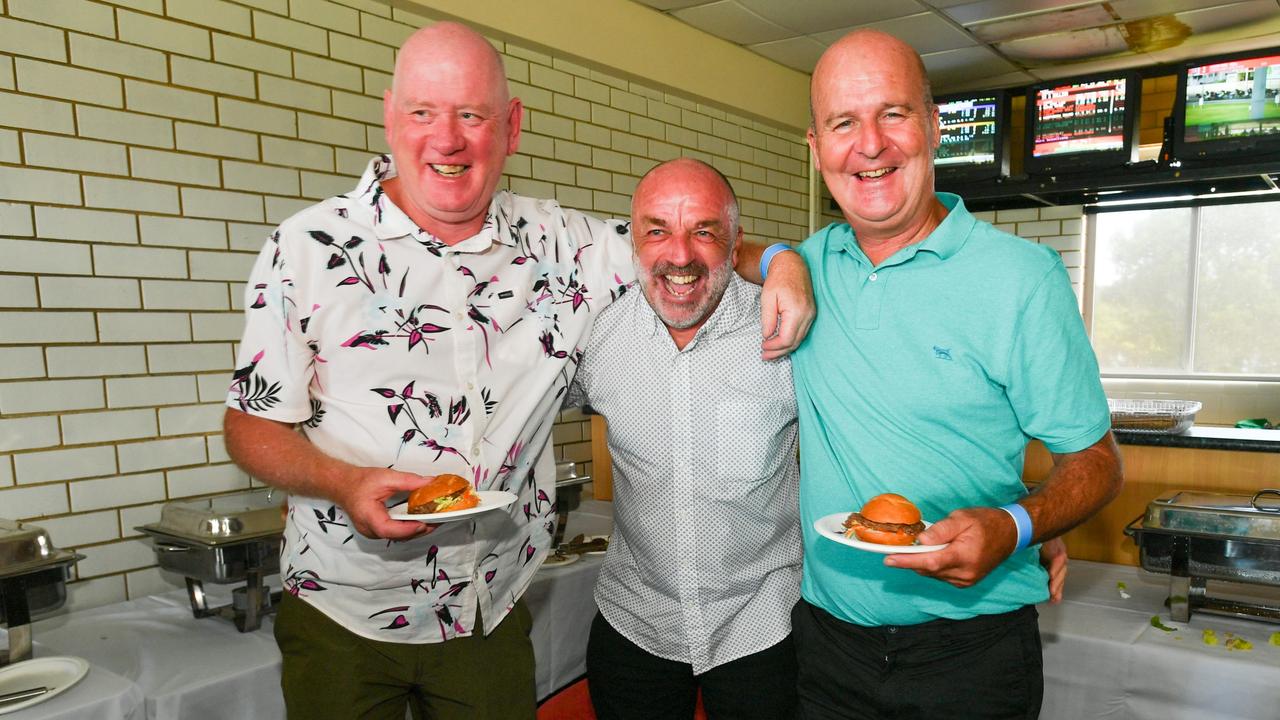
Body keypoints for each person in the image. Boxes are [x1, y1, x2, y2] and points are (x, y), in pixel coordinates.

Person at [220, 21, 814, 720]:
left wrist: (783, 263)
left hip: (487, 611)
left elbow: (687, 248)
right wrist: (342, 481)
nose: (447, 140)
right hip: (343, 608)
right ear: (389, 116)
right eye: (423, 113)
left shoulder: (564, 243)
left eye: (471, 115)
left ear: (511, 127)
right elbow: (248, 428)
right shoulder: (306, 248)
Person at [790, 29, 1123, 720]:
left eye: (893, 113)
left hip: (973, 660)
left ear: (934, 126)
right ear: (816, 148)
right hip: (825, 650)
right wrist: (775, 263)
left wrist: (1019, 524)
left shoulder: (1022, 279)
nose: (870, 145)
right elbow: (714, 244)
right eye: (842, 123)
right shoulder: (809, 267)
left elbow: (1097, 462)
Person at [566, 158, 801, 720]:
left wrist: (784, 260)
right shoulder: (599, 337)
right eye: (657, 231)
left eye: (704, 231)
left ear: (736, 242)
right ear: (633, 244)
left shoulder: (786, 327)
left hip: (762, 627)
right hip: (635, 624)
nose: (679, 255)